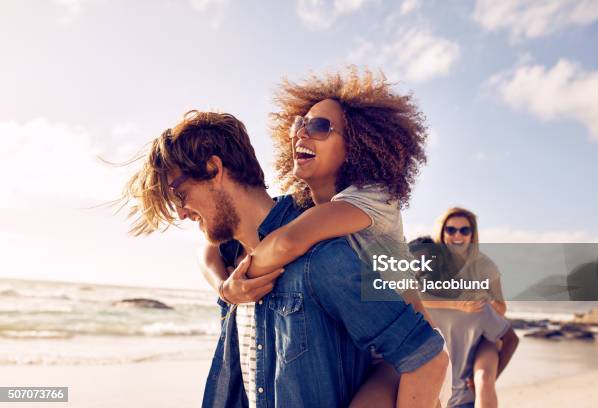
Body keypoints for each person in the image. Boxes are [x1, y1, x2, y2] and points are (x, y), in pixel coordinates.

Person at [122, 108, 448, 407]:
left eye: (180, 194)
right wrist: (225, 288)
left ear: (213, 168)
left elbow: (425, 357)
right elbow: (206, 253)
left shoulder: (320, 257)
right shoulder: (233, 259)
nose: (181, 212)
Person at [199, 68, 448, 407]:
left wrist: (238, 286)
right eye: (299, 123)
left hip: (402, 361)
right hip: (367, 353)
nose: (302, 133)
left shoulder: (372, 198)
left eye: (319, 126)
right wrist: (221, 286)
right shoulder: (305, 206)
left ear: (357, 145)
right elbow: (213, 250)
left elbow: (286, 243)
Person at [420, 208, 519, 408]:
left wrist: (485, 301)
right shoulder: (433, 262)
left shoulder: (485, 266)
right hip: (450, 333)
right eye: (451, 230)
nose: (457, 235)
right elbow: (416, 296)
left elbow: (501, 307)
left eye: (464, 231)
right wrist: (457, 304)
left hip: (481, 336)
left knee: (484, 381)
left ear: (472, 235)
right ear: (443, 232)